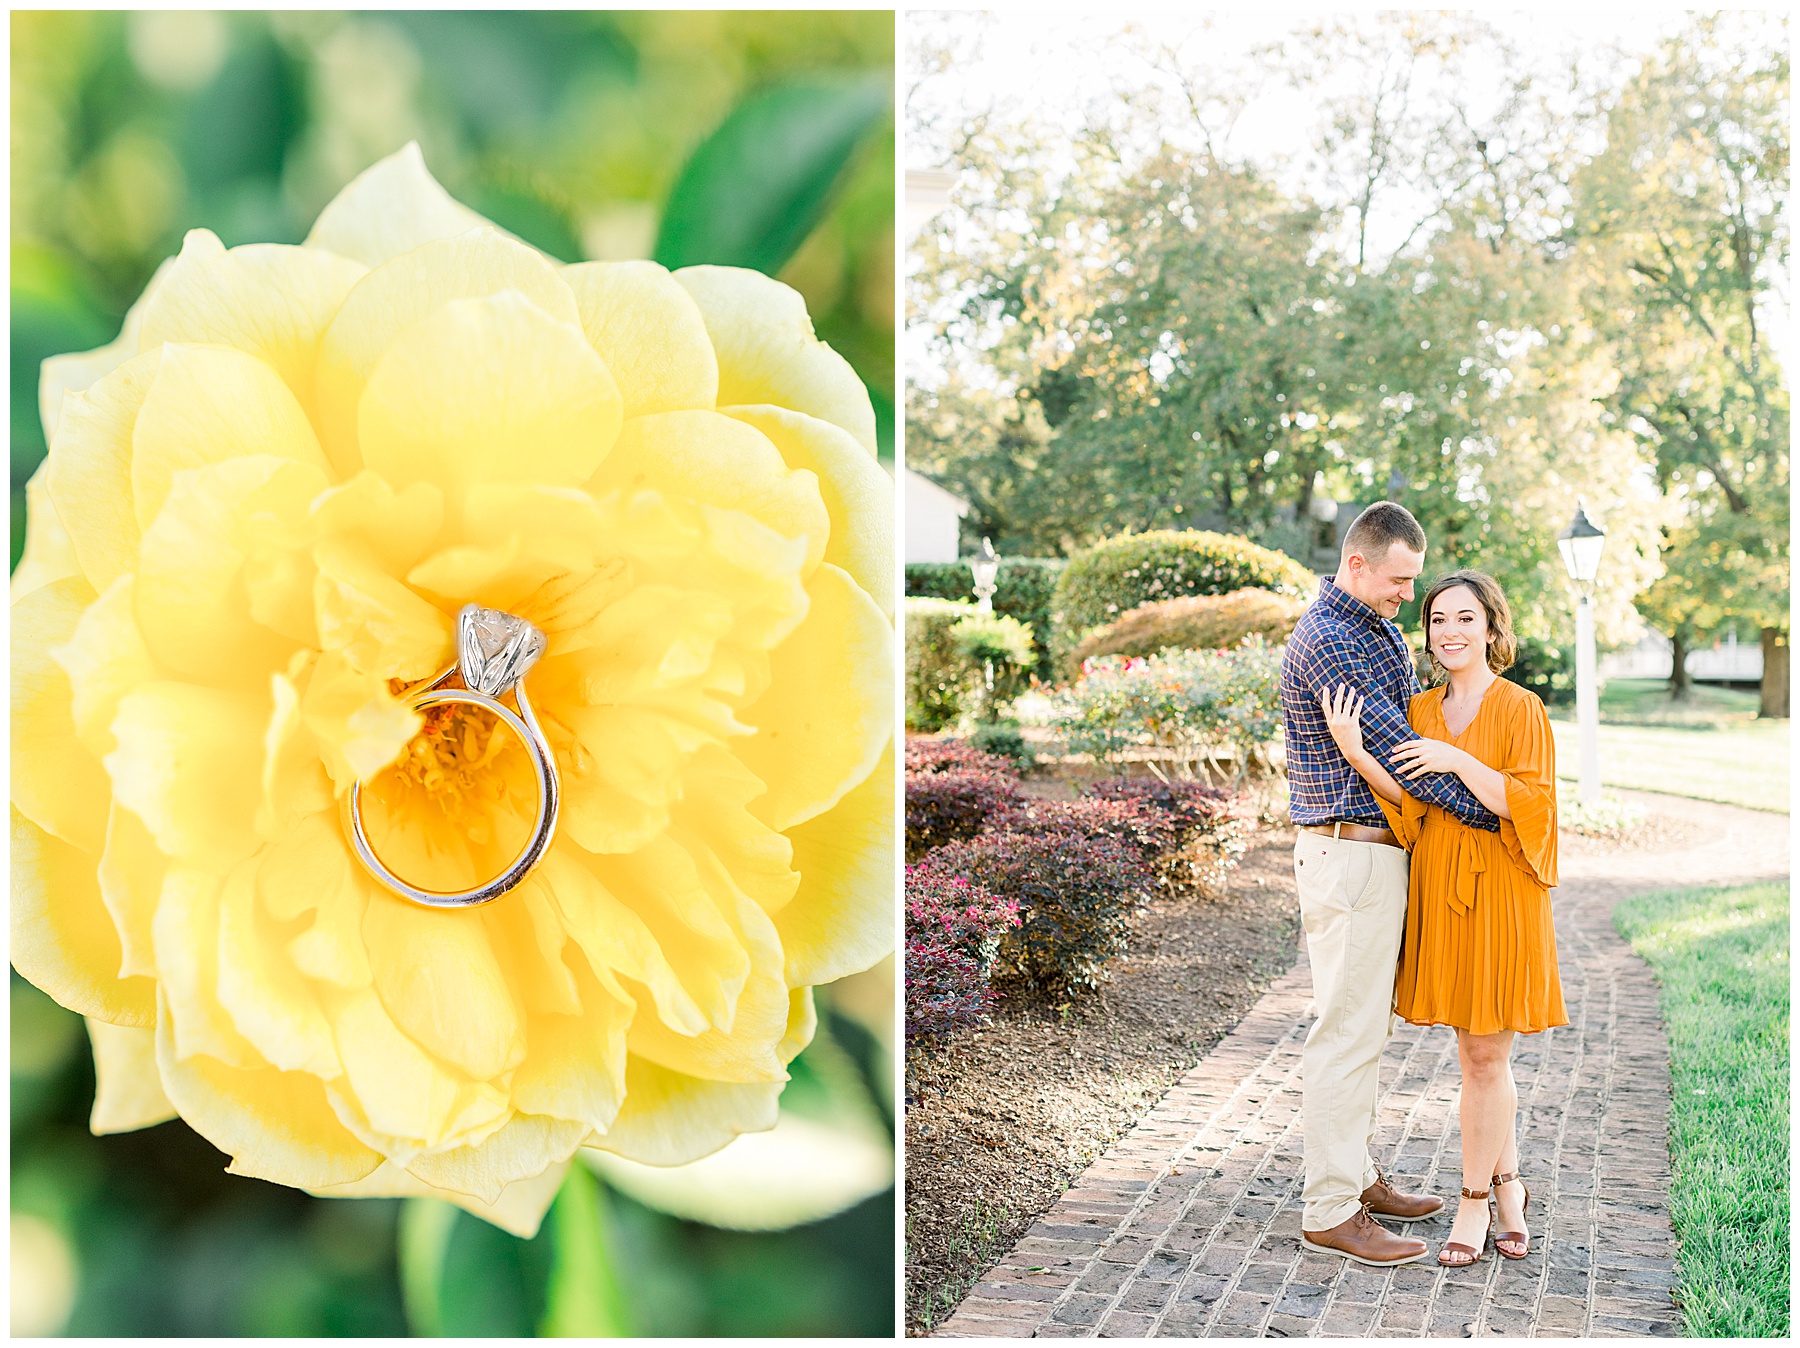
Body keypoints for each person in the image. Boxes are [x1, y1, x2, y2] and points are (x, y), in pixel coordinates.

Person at [1277, 503, 1504, 1268]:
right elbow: (1406, 753)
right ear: (1357, 564)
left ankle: (1357, 1175)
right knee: (1346, 1032)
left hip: (1375, 855)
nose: (1409, 596)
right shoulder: (1332, 639)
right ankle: (1331, 1209)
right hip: (1351, 855)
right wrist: (1496, 814)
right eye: (1399, 580)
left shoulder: (1367, 626)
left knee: (1365, 1029)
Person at [1320, 569, 1565, 1267]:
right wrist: (1356, 752)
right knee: (1478, 1056)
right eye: (1437, 620)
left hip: (1504, 892)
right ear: (1426, 634)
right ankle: (1510, 1189)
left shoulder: (1521, 708)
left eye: (1465, 618)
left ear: (1491, 628)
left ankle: (1473, 1200)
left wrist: (1456, 758)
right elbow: (1410, 803)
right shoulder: (1419, 709)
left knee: (1485, 1056)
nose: (1450, 631)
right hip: (1441, 889)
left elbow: (1528, 804)